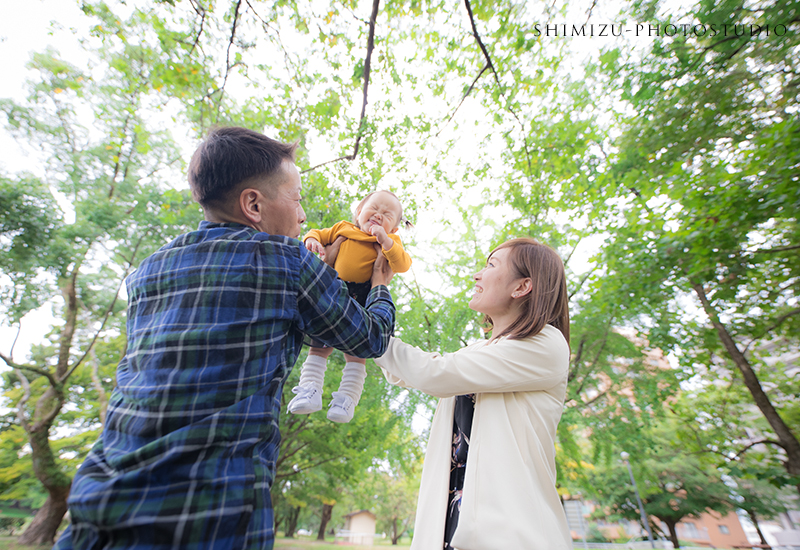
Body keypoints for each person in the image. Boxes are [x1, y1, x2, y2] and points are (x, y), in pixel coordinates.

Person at [53, 126, 396, 550]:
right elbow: (370, 339)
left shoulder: (148, 270)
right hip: (212, 517)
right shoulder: (287, 263)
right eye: (297, 199)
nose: (304, 215)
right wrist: (380, 282)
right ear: (253, 203)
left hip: (99, 511)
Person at [374, 238, 572, 550]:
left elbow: (434, 373)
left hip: (511, 536)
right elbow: (407, 371)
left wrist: (365, 329)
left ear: (522, 287)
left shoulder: (547, 345)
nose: (477, 275)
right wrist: (370, 294)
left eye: (491, 265)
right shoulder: (479, 351)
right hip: (449, 530)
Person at [287, 190, 412, 422]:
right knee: (318, 346)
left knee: (356, 354)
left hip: (364, 296)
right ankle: (309, 389)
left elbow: (403, 264)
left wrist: (385, 241)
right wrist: (312, 241)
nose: (378, 215)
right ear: (358, 212)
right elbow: (317, 233)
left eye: (387, 214)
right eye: (373, 208)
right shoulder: (343, 228)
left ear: (394, 229)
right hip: (335, 291)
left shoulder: (390, 241)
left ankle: (346, 401)